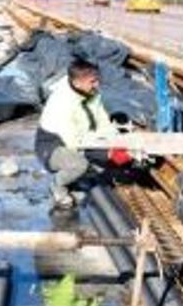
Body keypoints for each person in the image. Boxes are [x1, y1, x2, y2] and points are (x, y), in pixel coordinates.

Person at [34, 58, 133, 210]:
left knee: (102, 162)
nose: (97, 85)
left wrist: (116, 141)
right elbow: (74, 142)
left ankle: (77, 177)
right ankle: (58, 186)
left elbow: (102, 122)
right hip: (53, 143)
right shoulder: (62, 102)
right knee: (79, 164)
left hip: (81, 138)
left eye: (97, 80)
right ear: (77, 83)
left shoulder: (91, 93)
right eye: (92, 82)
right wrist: (106, 154)